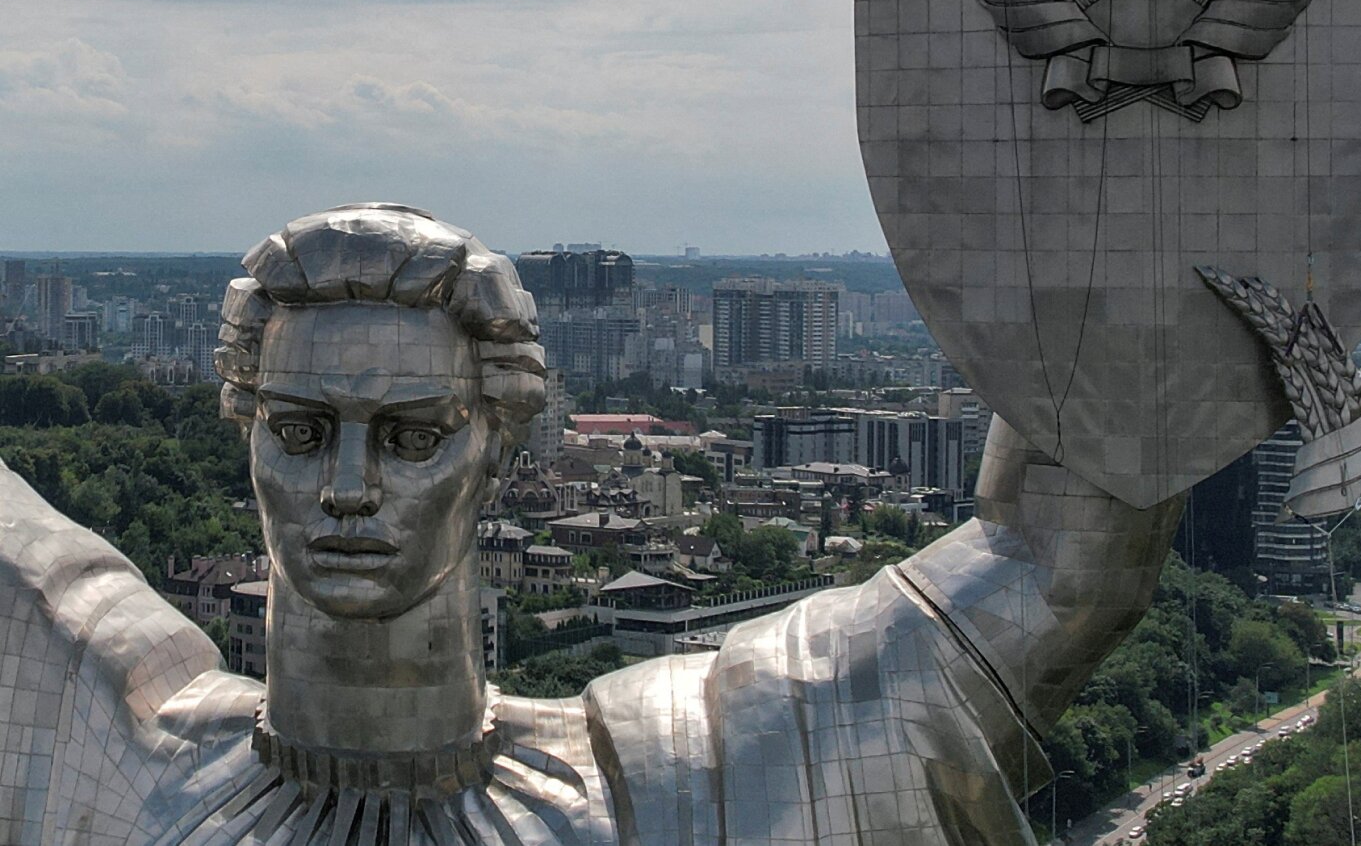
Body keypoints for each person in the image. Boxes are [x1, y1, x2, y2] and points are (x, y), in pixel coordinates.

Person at [0, 204, 1182, 845]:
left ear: (500, 445)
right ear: (244, 428)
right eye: (302, 430)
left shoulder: (683, 777)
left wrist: (1121, 180)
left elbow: (1058, 565)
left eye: (413, 434)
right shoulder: (112, 749)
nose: (347, 486)